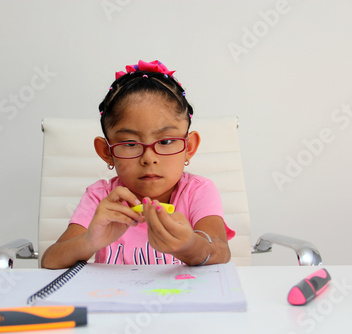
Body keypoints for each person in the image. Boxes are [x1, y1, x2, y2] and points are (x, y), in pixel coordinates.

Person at [41, 60, 235, 269]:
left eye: (166, 141)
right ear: (107, 152)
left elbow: (220, 250)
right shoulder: (99, 197)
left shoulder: (197, 191)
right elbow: (50, 260)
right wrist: (90, 241)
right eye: (131, 144)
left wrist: (190, 246)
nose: (149, 158)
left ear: (189, 147)